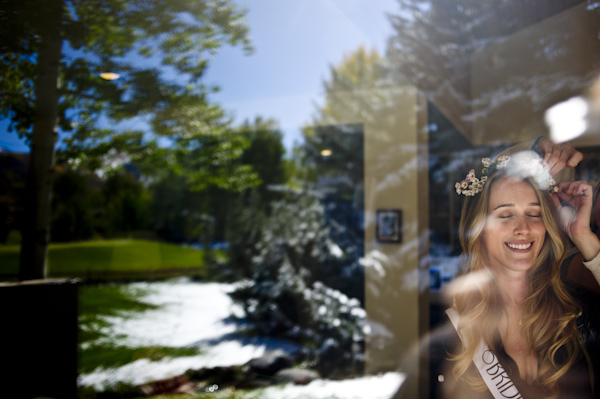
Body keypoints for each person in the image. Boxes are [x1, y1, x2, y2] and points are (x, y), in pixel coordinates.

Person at [436, 151, 599, 399]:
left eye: (534, 214)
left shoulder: (578, 313)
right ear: (478, 229)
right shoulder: (449, 327)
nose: (523, 229)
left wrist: (584, 237)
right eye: (505, 215)